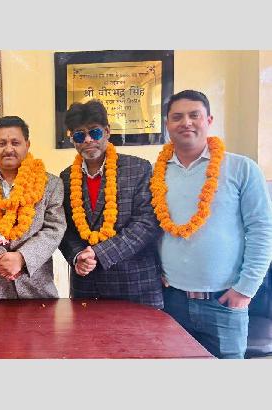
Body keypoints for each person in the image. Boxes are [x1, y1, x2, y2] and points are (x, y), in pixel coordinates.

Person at [152, 89, 272, 358]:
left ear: (209, 120)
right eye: (177, 117)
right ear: (167, 124)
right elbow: (152, 229)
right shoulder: (156, 172)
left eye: (194, 115)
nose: (186, 122)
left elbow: (262, 231)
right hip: (171, 300)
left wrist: (245, 290)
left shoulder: (242, 168)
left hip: (224, 301)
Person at [59, 100, 163, 308]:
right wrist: (78, 255)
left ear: (107, 132)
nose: (88, 140)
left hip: (135, 285)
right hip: (87, 285)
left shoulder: (138, 168)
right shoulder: (67, 177)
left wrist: (100, 252)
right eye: (79, 135)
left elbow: (146, 224)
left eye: (94, 132)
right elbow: (65, 228)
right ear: (72, 140)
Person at [0, 116, 66, 300]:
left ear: (27, 145)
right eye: (1, 143)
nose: (8, 149)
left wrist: (22, 257)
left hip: (37, 291)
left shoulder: (51, 184)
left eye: (15, 143)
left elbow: (54, 228)